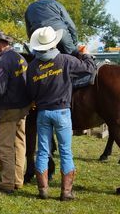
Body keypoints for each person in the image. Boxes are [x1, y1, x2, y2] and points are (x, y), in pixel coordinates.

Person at [26, 26, 96, 201]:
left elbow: (31, 92)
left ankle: (43, 189)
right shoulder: (64, 59)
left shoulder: (33, 65)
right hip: (62, 112)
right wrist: (85, 53)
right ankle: (65, 192)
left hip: (43, 113)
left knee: (42, 151)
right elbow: (89, 69)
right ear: (53, 43)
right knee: (65, 152)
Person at [0, 31, 30, 193]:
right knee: (19, 144)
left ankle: (7, 182)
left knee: (4, 147)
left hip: (6, 109)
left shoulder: (2, 61)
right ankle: (18, 180)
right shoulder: (21, 58)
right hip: (22, 108)